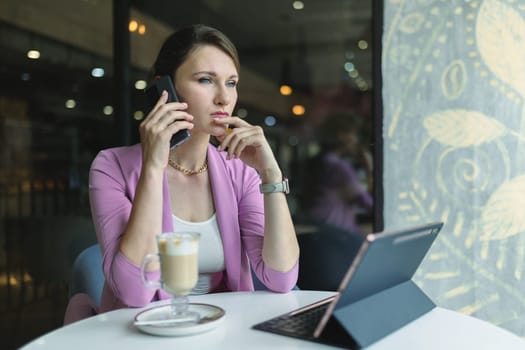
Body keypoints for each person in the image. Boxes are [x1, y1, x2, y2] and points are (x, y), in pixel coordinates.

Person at [64, 24, 299, 323]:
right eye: (205, 80)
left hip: (221, 333)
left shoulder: (239, 171)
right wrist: (152, 168)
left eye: (231, 83)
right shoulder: (111, 167)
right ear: (166, 89)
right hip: (146, 336)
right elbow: (134, 293)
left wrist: (270, 173)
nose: (223, 98)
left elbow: (281, 278)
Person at [301, 113, 373, 235]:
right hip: (334, 232)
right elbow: (368, 203)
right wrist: (369, 168)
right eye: (354, 134)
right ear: (342, 136)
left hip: (319, 227)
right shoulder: (338, 167)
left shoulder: (321, 161)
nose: (356, 140)